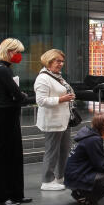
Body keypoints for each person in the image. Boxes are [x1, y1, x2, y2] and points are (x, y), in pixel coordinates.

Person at [0, 38, 30, 205]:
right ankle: (1, 196)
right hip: (6, 115)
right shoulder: (2, 70)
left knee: (14, 154)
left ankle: (15, 194)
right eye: (17, 52)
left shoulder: (5, 69)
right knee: (4, 155)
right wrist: (23, 96)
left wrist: (20, 96)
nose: (19, 55)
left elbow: (16, 94)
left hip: (9, 114)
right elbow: (16, 94)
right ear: (9, 51)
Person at [34, 48, 75, 191]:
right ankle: (47, 181)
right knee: (52, 151)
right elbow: (40, 100)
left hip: (64, 120)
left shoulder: (57, 76)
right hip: (52, 121)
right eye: (58, 61)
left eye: (62, 61)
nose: (61, 64)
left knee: (64, 150)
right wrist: (61, 99)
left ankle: (60, 177)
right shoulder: (43, 78)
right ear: (49, 61)